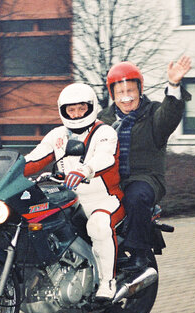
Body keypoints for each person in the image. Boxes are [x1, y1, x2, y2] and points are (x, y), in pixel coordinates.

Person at [23, 83, 125, 300]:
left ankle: (108, 282)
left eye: (81, 108)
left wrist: (85, 170)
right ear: (63, 111)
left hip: (104, 199)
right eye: (71, 110)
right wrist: (10, 171)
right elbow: (35, 158)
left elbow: (105, 158)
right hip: (69, 199)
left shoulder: (104, 132)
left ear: (91, 108)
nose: (76, 114)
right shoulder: (57, 135)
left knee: (98, 225)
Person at [98, 57, 192, 269]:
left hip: (145, 178)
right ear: (112, 94)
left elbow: (170, 114)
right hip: (108, 180)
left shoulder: (153, 113)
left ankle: (139, 253)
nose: (126, 97)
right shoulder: (102, 119)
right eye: (120, 92)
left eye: (131, 90)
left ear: (140, 90)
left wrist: (174, 85)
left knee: (136, 196)